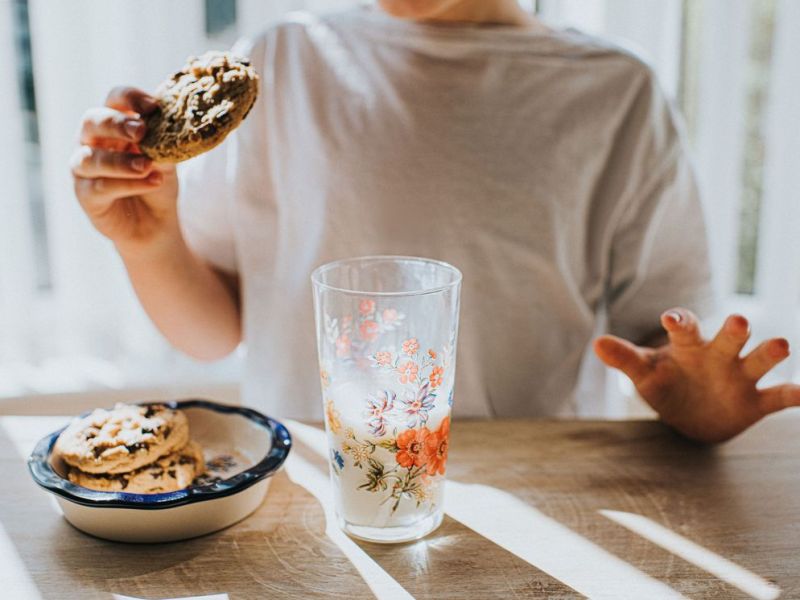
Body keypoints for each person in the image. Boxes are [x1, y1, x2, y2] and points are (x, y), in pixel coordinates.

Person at [70, 0, 799, 443]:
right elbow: (213, 331)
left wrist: (696, 404)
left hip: (536, 485)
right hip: (316, 474)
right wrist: (151, 242)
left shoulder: (616, 95)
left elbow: (665, 347)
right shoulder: (284, 59)